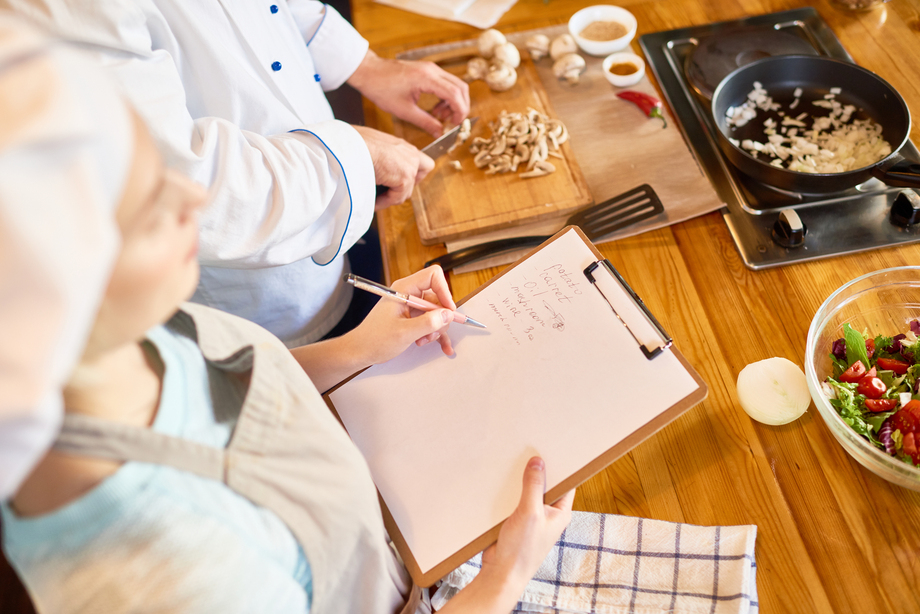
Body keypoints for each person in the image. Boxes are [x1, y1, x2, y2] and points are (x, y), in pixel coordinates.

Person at [0, 16, 572, 613]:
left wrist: (359, 349)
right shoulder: (168, 573)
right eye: (147, 205)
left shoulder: (142, 334)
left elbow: (232, 385)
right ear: (59, 281)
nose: (193, 196)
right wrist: (503, 579)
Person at [2, 0, 471, 346]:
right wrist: (352, 158)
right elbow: (188, 190)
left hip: (332, 231)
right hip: (261, 315)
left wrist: (364, 66)